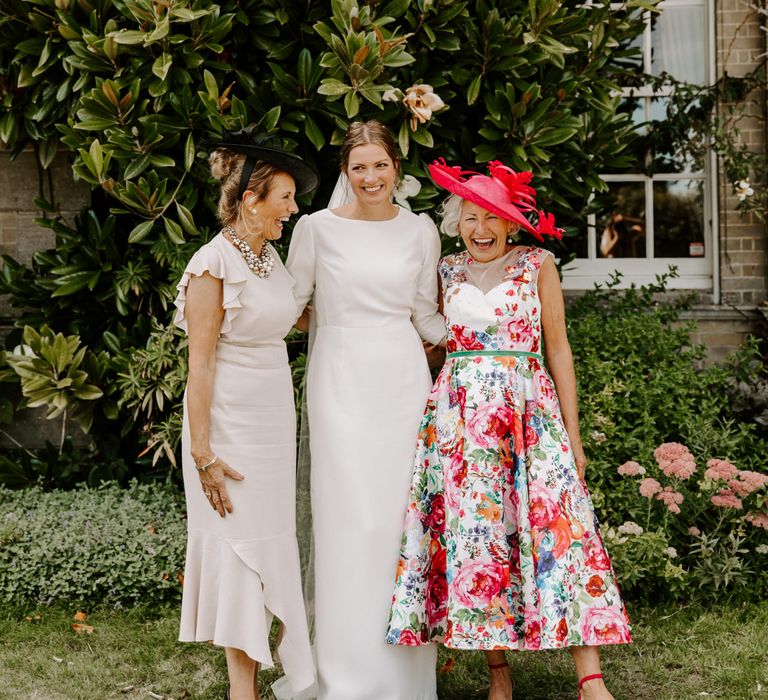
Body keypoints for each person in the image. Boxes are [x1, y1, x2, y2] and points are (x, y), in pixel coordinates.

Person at [386, 160, 631, 700]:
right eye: (470, 217)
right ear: (457, 223)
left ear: (511, 225)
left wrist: (574, 433)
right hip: (461, 424)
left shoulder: (537, 263)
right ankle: (499, 673)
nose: (480, 228)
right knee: (479, 538)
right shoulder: (446, 271)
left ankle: (591, 680)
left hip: (530, 414)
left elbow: (559, 349)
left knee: (559, 530)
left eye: (491, 217)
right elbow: (418, 331)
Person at [284, 120, 445, 700]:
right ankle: (343, 679)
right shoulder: (315, 229)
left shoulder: (421, 231)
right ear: (345, 174)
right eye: (359, 167)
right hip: (340, 379)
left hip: (403, 381)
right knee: (347, 520)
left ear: (396, 167)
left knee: (398, 523)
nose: (371, 177)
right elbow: (291, 304)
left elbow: (427, 316)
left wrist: (491, 327)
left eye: (380, 165)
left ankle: (404, 680)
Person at [173, 127, 319, 700]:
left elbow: (293, 318)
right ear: (250, 199)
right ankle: (243, 690)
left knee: (271, 542)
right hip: (227, 426)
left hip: (273, 418)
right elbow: (200, 367)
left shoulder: (268, 258)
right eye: (284, 197)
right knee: (239, 551)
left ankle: (270, 672)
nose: (293, 207)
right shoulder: (212, 264)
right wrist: (203, 453)